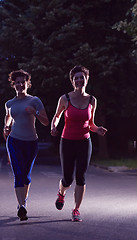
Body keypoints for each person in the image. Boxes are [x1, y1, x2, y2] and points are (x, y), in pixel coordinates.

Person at [50, 65, 107, 222]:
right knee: (67, 179)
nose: (79, 80)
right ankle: (61, 193)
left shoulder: (92, 100)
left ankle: (76, 210)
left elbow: (90, 124)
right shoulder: (65, 98)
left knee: (81, 177)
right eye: (76, 78)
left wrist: (97, 129)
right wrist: (53, 126)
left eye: (82, 77)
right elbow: (57, 116)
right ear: (72, 81)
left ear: (87, 79)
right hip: (67, 141)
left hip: (84, 142)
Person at [3, 69, 49, 221]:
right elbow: (8, 117)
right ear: (13, 85)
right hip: (14, 141)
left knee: (26, 176)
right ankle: (22, 207)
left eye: (23, 82)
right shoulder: (9, 103)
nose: (20, 85)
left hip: (31, 142)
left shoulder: (35, 101)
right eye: (17, 82)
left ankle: (23, 202)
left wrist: (34, 112)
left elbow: (45, 121)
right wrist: (6, 127)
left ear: (27, 84)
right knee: (18, 173)